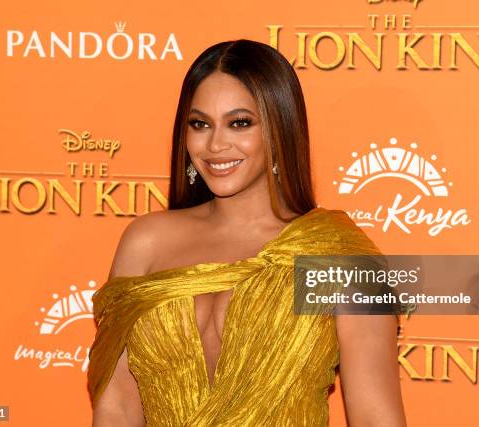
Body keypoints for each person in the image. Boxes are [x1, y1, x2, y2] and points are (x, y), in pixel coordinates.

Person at [87, 39, 407, 426]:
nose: (216, 144)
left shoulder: (336, 255)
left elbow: (376, 418)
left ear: (279, 129)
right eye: (200, 124)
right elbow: (117, 405)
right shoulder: (146, 242)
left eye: (240, 123)